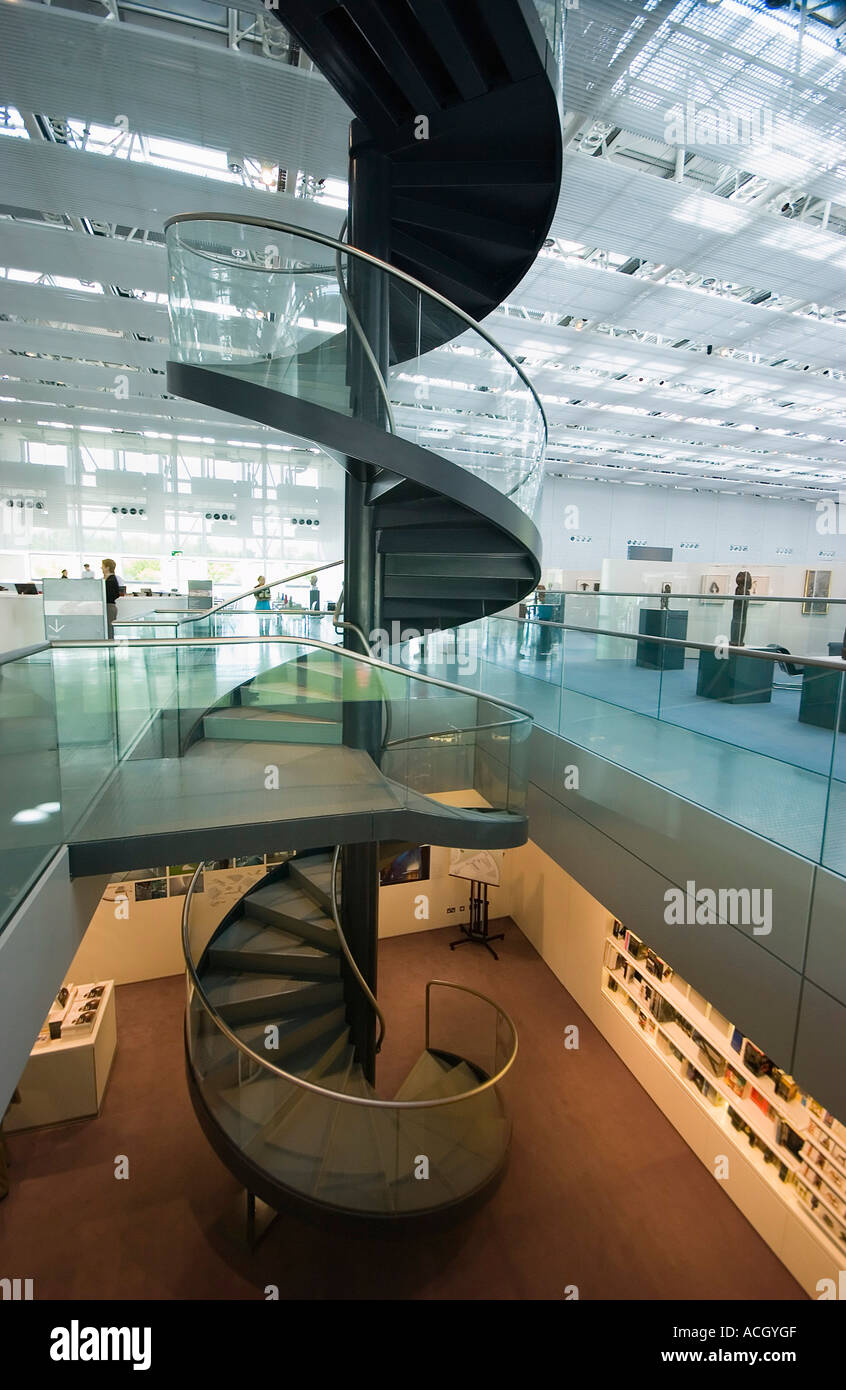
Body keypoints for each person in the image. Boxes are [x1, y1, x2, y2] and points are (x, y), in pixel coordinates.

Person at [102, 558, 120, 637]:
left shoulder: (111, 580)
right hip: (108, 607)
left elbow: (113, 594)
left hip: (109, 607)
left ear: (107, 567)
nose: (101, 568)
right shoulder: (109, 579)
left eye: (102, 566)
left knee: (109, 631)